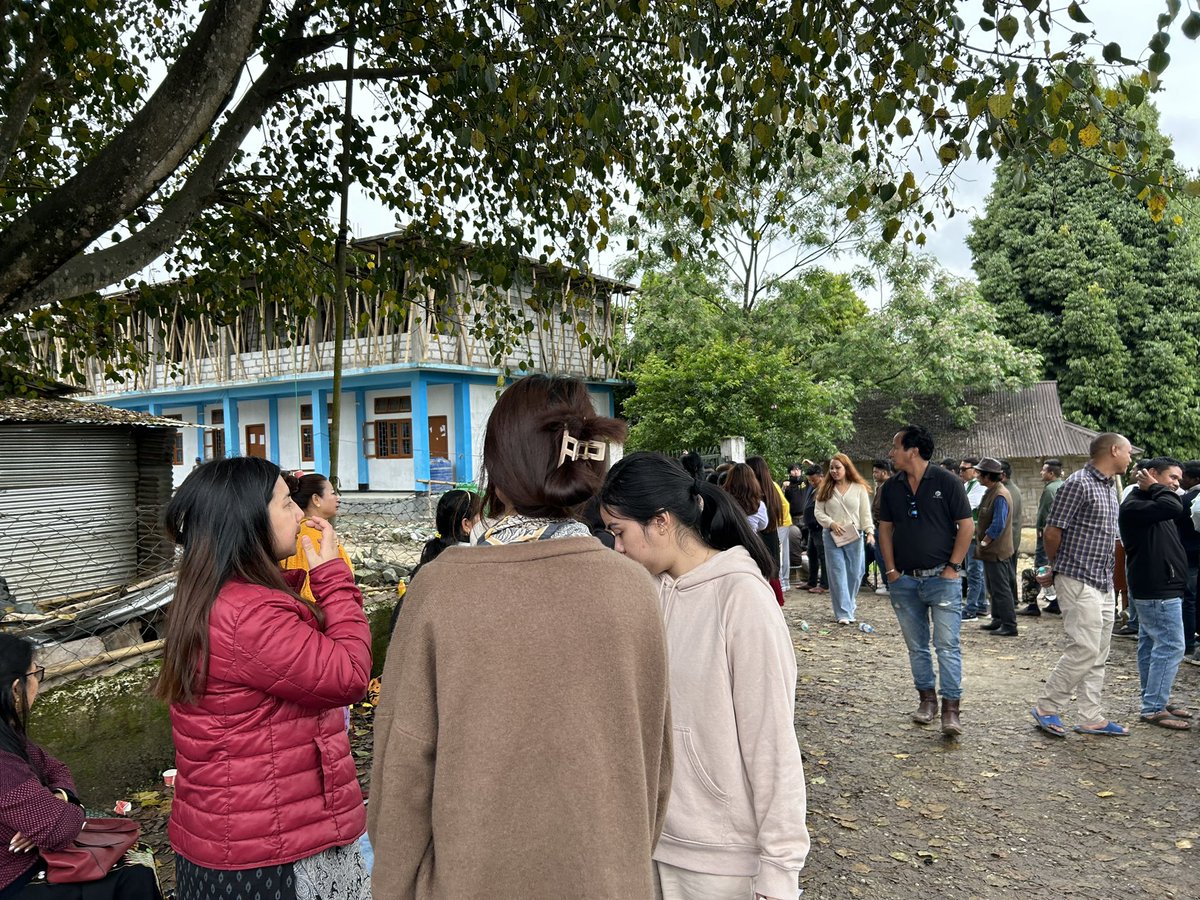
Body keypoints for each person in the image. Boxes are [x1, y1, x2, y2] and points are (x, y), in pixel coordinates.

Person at [369, 375, 672, 899]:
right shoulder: (634, 589)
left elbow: (402, 771)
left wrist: (397, 888)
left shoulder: (441, 588)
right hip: (608, 879)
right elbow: (655, 764)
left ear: (497, 467)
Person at [158, 457, 373, 897]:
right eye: (285, 504)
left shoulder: (215, 593)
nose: (300, 514)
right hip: (274, 852)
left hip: (234, 837)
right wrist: (332, 575)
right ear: (246, 522)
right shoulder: (250, 615)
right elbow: (350, 674)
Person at [600, 452, 809, 900]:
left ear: (660, 521)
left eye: (620, 532)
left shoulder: (743, 599)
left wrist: (780, 871)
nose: (616, 548)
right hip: (652, 843)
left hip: (722, 861)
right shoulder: (647, 593)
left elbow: (771, 742)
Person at [0, 635, 162, 899]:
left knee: (134, 859)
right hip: (13, 877)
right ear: (16, 688)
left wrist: (58, 797)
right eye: (35, 674)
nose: (37, 683)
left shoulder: (9, 733)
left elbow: (56, 768)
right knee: (134, 876)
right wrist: (56, 815)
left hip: (34, 859)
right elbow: (60, 829)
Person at [1030, 433, 1131, 738]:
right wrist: (1056, 566)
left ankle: (1091, 717)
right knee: (1085, 648)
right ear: (1113, 450)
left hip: (1101, 581)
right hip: (1077, 577)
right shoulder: (1079, 482)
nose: (1130, 458)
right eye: (1127, 452)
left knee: (1099, 651)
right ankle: (1047, 707)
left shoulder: (1110, 487)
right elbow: (1052, 530)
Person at [877, 425, 973, 735]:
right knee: (916, 647)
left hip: (943, 580)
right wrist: (891, 571)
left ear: (913, 451)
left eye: (896, 446)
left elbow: (967, 526)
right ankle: (927, 701)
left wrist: (952, 567)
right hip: (904, 582)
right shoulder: (891, 488)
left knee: (947, 646)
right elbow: (885, 530)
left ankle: (951, 710)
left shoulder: (948, 482)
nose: (891, 453)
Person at [1118, 458, 1191, 731]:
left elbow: (1179, 508)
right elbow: (1174, 504)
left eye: (1178, 479)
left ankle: (1154, 699)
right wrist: (1155, 487)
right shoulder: (1137, 504)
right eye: (1171, 477)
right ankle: (1153, 708)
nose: (1176, 484)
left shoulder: (1153, 504)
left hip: (1159, 584)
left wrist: (1158, 488)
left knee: (1151, 645)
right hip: (1156, 587)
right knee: (1172, 646)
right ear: (1151, 475)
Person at [388, 488, 482, 634]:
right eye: (481, 517)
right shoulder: (472, 562)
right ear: (466, 525)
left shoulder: (432, 560)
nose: (486, 523)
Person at [814, 453, 874, 625]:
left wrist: (869, 531)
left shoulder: (858, 488)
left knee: (856, 573)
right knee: (837, 572)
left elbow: (865, 513)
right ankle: (843, 612)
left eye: (837, 467)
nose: (834, 471)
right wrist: (830, 523)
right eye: (831, 468)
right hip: (832, 535)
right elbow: (818, 512)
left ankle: (849, 602)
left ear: (846, 468)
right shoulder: (825, 488)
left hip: (854, 534)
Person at [281, 471, 353, 603]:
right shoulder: (313, 536)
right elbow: (311, 593)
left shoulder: (300, 531)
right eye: (332, 493)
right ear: (316, 499)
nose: (337, 498)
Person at [974, 458, 1019, 637]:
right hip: (992, 551)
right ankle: (998, 619)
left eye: (979, 473)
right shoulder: (992, 491)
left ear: (987, 476)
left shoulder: (1000, 495)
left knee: (1001, 589)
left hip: (996, 550)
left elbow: (998, 524)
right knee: (993, 587)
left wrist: (985, 541)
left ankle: (1009, 625)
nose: (977, 476)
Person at [1020, 459, 1065, 616]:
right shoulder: (1063, 486)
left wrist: (1039, 530)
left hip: (1047, 534)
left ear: (1051, 473)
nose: (1041, 472)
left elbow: (1044, 514)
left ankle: (1032, 605)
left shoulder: (1050, 490)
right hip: (1061, 535)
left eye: (1044, 470)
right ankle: (1055, 602)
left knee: (1040, 568)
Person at [749, 456, 794, 593]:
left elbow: (784, 506)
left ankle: (782, 583)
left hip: (769, 530)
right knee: (775, 562)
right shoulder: (772, 486)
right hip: (773, 530)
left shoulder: (755, 489)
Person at [959, 458, 989, 621]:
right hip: (969, 534)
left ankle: (971, 608)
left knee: (974, 571)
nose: (961, 472)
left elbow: (968, 505)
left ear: (975, 470)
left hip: (976, 534)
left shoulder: (978, 487)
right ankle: (981, 604)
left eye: (964, 469)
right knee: (975, 570)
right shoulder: (967, 485)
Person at [1178, 461, 1200, 667]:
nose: (1180, 480)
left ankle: (1189, 643)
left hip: (1189, 556)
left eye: (1183, 477)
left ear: (1194, 479)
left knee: (1189, 600)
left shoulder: (1185, 501)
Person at [802, 465, 829, 594]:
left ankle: (824, 584)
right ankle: (811, 581)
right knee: (811, 554)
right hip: (811, 527)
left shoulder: (825, 488)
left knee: (822, 555)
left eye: (814, 480)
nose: (812, 482)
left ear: (821, 476)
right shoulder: (813, 489)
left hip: (819, 527)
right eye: (810, 480)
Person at [869, 459, 892, 594]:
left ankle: (889, 584)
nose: (874, 475)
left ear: (884, 472)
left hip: (884, 527)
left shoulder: (889, 487)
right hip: (877, 526)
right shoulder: (881, 487)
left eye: (876, 472)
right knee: (878, 555)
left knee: (883, 556)